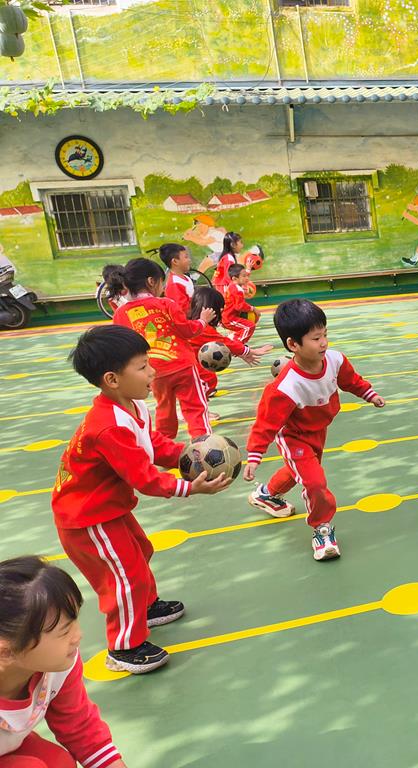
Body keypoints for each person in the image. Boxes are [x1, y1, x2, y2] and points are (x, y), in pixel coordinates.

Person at [52, 326, 230, 674]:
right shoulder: (109, 427)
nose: (152, 371)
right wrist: (190, 487)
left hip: (107, 508)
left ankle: (144, 607)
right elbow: (144, 478)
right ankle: (124, 647)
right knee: (123, 576)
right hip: (87, 518)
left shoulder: (132, 407)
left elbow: (152, 445)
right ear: (112, 379)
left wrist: (190, 455)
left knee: (140, 551)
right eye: (143, 366)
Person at [245, 300, 386, 561]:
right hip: (293, 435)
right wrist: (255, 455)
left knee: (299, 470)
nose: (323, 343)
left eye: (325, 335)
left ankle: (266, 494)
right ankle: (322, 529)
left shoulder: (335, 360)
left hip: (318, 429)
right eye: (315, 338)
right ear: (293, 345)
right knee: (314, 481)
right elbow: (266, 423)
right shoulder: (285, 386)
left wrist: (369, 394)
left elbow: (351, 381)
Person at [0, 556, 125, 768]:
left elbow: (80, 728)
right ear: (6, 652)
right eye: (64, 631)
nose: (78, 635)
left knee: (60, 763)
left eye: (74, 620)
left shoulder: (58, 666)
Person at [108, 258, 215, 439]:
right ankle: (203, 443)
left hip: (152, 371)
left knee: (164, 409)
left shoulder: (121, 313)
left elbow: (122, 346)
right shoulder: (166, 304)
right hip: (182, 365)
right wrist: (203, 321)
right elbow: (187, 330)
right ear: (151, 281)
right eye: (161, 282)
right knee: (195, 407)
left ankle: (164, 444)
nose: (163, 287)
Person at [187, 287, 272, 398]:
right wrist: (248, 351)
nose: (221, 312)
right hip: (186, 365)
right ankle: (196, 398)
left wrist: (242, 354)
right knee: (208, 380)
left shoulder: (192, 323)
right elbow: (225, 343)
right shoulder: (203, 329)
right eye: (219, 309)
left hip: (184, 362)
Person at [221, 264, 259, 344]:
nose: (247, 278)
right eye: (244, 276)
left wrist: (248, 270)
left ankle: (233, 340)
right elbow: (239, 306)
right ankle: (237, 344)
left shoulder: (232, 285)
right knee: (249, 326)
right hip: (229, 318)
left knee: (245, 327)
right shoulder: (237, 290)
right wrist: (253, 309)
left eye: (247, 276)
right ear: (234, 278)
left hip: (227, 317)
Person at [157, 243, 194, 317]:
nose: (189, 260)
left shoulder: (185, 278)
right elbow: (183, 312)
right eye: (186, 257)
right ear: (175, 261)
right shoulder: (174, 284)